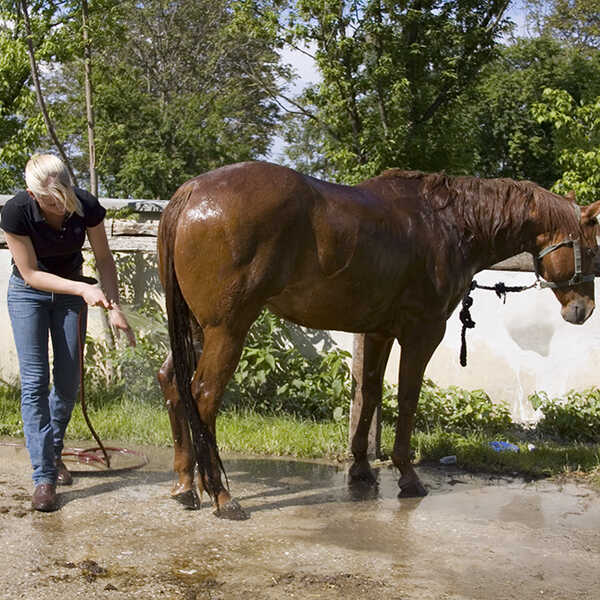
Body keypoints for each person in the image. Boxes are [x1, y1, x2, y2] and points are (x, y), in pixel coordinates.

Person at [0, 153, 136, 512]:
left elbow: (104, 259)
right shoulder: (15, 212)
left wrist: (115, 308)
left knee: (67, 380)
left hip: (71, 294)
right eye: (47, 201)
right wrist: (82, 290)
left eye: (60, 197)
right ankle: (43, 477)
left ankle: (54, 450)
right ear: (32, 195)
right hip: (29, 295)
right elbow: (29, 273)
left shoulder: (86, 206)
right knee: (34, 382)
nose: (56, 206)